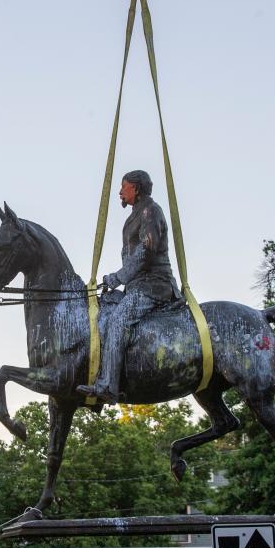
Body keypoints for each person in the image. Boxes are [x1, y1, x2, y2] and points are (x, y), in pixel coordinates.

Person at [76, 170, 181, 404]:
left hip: (154, 286)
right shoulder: (136, 214)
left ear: (136, 188)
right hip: (137, 286)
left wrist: (118, 277)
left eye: (124, 187)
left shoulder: (150, 211)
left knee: (119, 320)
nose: (120, 192)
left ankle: (108, 386)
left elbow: (146, 250)